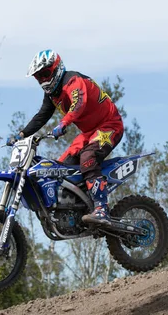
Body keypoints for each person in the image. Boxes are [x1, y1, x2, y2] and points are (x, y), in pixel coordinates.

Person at [8, 49, 124, 225]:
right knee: (60, 169)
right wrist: (21, 134)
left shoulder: (73, 80)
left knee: (88, 158)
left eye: (46, 74)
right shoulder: (51, 94)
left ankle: (101, 209)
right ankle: (78, 209)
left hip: (109, 125)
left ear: (56, 68)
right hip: (89, 133)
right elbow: (42, 115)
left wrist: (64, 123)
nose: (44, 80)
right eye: (39, 77)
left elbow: (79, 104)